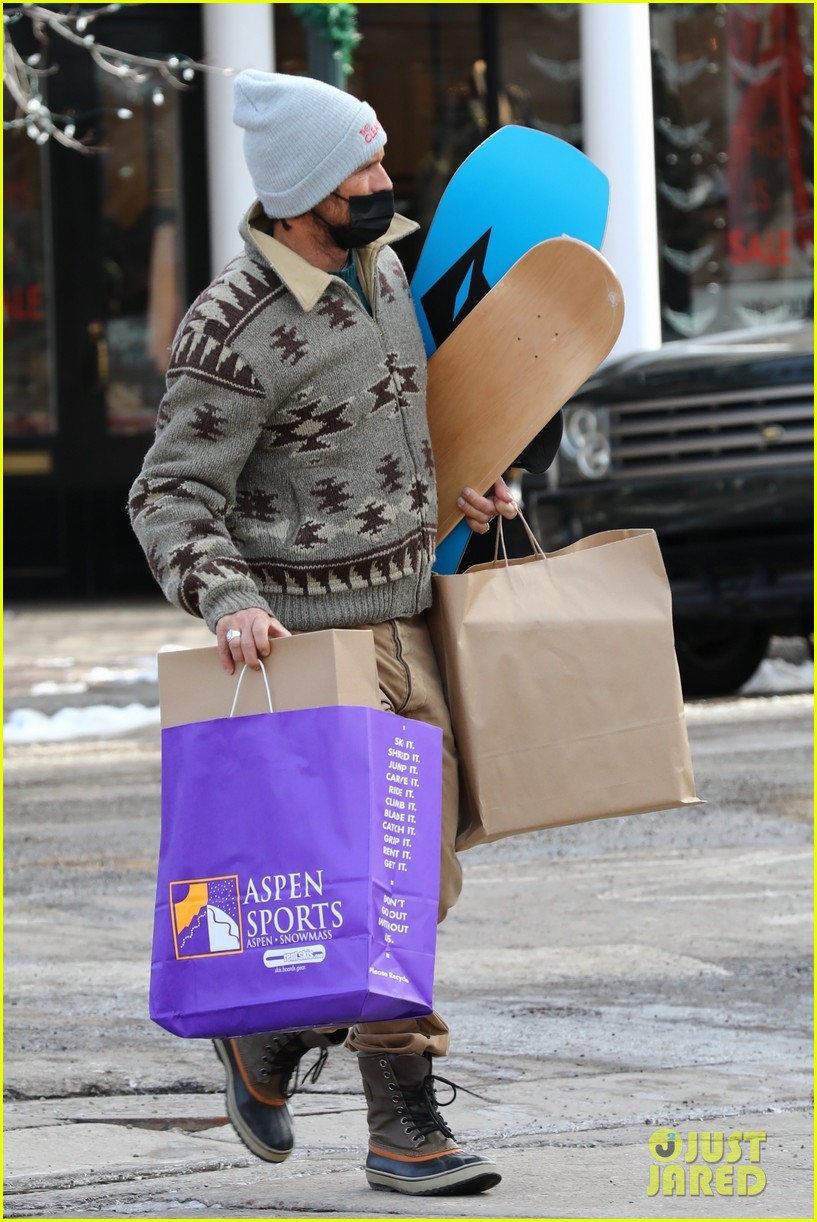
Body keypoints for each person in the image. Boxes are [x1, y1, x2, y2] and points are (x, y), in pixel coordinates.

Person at [128, 69, 518, 1198]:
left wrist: (466, 486)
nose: (384, 182)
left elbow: (404, 424)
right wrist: (226, 597)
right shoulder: (235, 324)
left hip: (405, 620)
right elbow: (168, 495)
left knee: (421, 879)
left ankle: (275, 1035)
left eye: (380, 158)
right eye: (361, 167)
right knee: (385, 880)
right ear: (301, 184)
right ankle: (405, 1124)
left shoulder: (382, 266)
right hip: (304, 648)